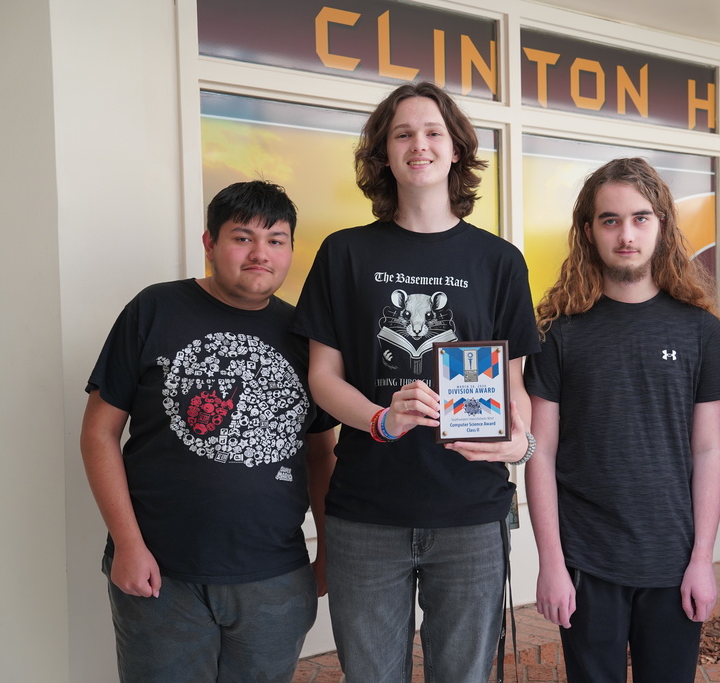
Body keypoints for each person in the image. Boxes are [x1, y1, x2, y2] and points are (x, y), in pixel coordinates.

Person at [291, 82, 539, 682]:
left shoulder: (499, 261)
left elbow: (515, 388)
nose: (419, 145)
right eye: (402, 134)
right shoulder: (344, 254)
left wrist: (519, 442)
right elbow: (322, 377)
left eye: (433, 133)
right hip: (366, 512)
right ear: (384, 153)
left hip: (471, 512)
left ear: (457, 150)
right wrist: (380, 418)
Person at [80, 180, 338, 683]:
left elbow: (321, 454)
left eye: (276, 240)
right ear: (209, 243)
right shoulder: (154, 309)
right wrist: (128, 545)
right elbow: (98, 434)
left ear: (290, 250)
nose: (260, 253)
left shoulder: (305, 337)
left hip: (275, 577)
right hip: (162, 574)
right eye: (242, 238)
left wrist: (327, 551)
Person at [523, 157, 720, 683]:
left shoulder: (700, 331)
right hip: (585, 559)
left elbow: (708, 450)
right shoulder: (559, 332)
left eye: (640, 218)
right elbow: (540, 451)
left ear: (661, 226)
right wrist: (551, 562)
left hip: (673, 560)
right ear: (588, 231)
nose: (626, 235)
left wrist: (703, 559)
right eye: (610, 220)